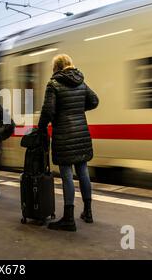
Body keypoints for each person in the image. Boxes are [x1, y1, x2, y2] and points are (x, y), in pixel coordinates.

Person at [38, 54, 99, 232]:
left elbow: (48, 111)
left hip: (64, 134)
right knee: (83, 172)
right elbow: (94, 101)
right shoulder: (80, 82)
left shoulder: (54, 84)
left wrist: (41, 129)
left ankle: (69, 219)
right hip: (81, 133)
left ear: (56, 67)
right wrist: (78, 110)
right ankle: (88, 212)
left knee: (67, 175)